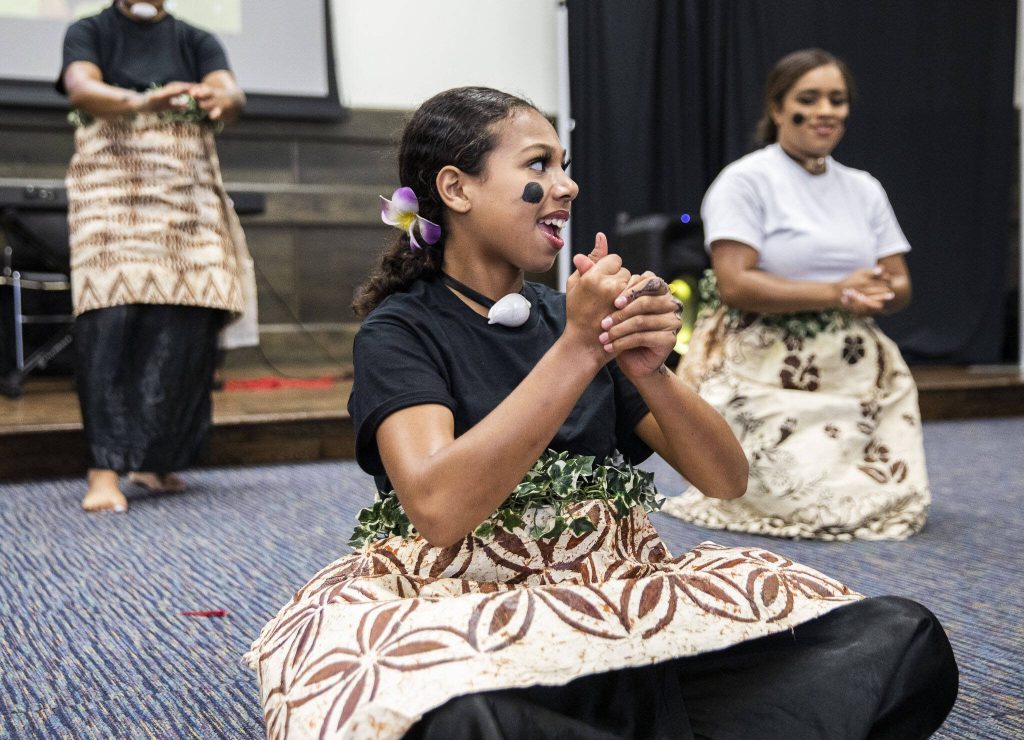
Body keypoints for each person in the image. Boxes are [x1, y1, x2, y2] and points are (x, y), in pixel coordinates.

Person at [246, 87, 956, 739]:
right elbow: (437, 506)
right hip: (477, 623)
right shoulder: (401, 332)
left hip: (621, 614)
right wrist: (579, 350)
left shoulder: (572, 319)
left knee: (901, 638)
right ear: (456, 188)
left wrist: (650, 372)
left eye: (567, 165)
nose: (567, 185)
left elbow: (726, 478)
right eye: (540, 165)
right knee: (470, 724)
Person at [663, 49, 930, 541]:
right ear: (778, 107)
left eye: (838, 99)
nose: (827, 110)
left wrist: (877, 296)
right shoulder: (744, 181)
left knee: (884, 502)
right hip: (759, 356)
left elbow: (901, 285)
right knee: (788, 496)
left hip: (849, 357)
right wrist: (836, 290)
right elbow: (735, 284)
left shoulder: (864, 188)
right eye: (810, 98)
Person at [56, 0, 251, 513]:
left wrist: (217, 98)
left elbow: (232, 95)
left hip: (186, 191)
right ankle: (104, 470)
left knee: (188, 315)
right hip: (112, 192)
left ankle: (155, 458)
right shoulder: (90, 30)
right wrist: (145, 101)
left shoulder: (195, 39)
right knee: (111, 316)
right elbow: (81, 87)